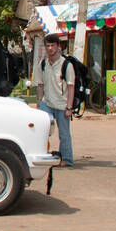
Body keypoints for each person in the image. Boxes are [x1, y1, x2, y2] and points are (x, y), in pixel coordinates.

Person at [36, 33, 75, 167]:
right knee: (42, 130)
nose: (50, 48)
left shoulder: (66, 65)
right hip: (47, 103)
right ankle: (42, 156)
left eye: (53, 45)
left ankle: (67, 159)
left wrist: (69, 107)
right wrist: (39, 102)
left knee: (64, 134)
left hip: (62, 105)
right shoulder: (43, 64)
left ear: (58, 47)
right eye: (48, 46)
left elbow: (71, 87)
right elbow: (40, 85)